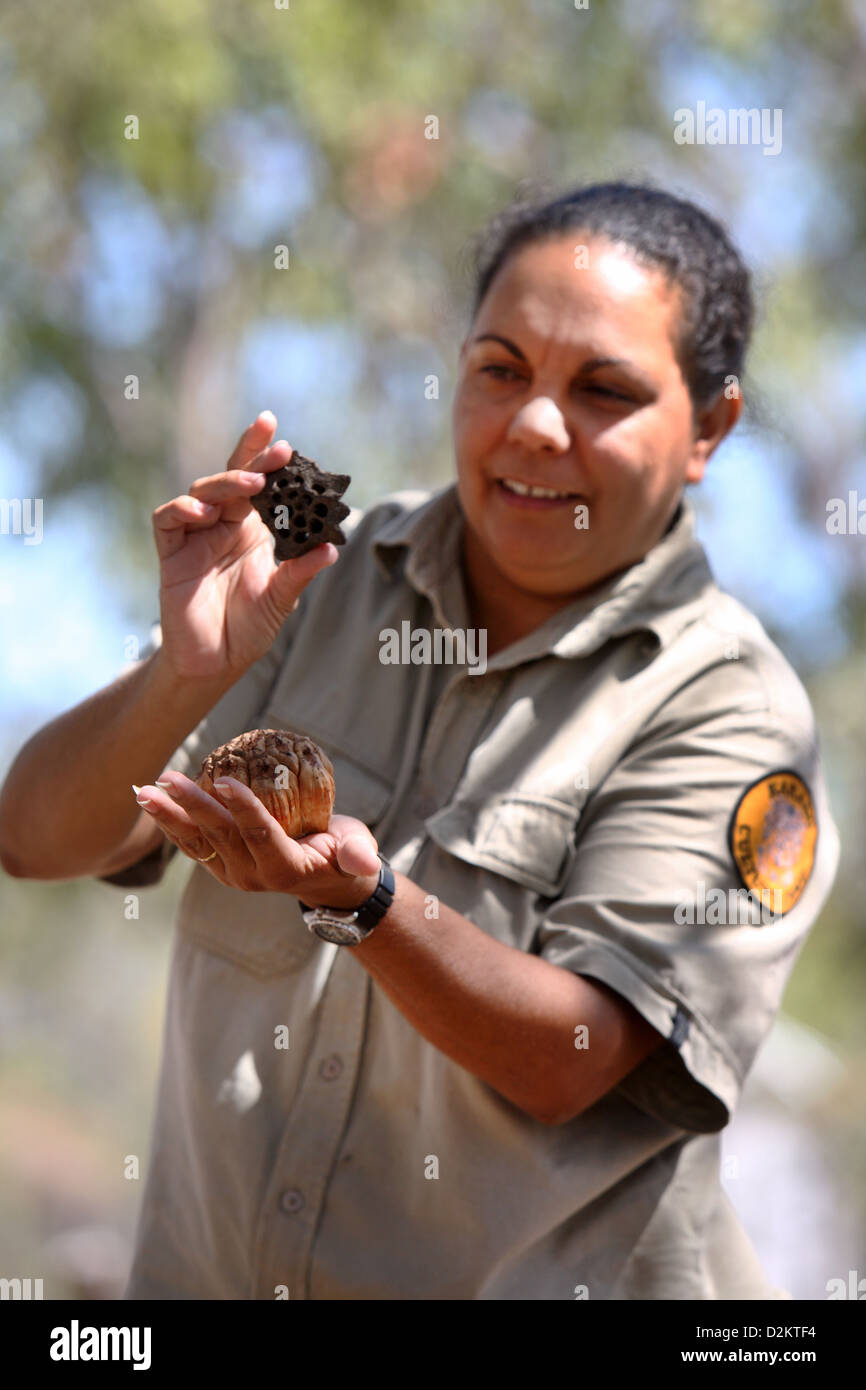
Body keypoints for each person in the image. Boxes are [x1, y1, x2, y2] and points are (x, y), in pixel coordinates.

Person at [0, 181, 839, 1300]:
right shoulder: (308, 585)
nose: (535, 422)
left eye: (603, 389)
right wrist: (182, 673)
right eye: (500, 369)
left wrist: (368, 908)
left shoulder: (729, 712)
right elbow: (34, 835)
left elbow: (573, 1061)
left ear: (708, 428)